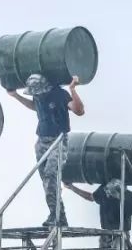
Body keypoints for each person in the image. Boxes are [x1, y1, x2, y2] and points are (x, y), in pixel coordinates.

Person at [6, 73, 85, 227]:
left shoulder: (60, 94)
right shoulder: (38, 96)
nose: (36, 95)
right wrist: (15, 96)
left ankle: (58, 218)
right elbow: (35, 106)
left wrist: (73, 89)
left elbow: (79, 110)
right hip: (41, 141)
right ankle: (57, 215)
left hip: (58, 140)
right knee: (47, 182)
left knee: (50, 176)